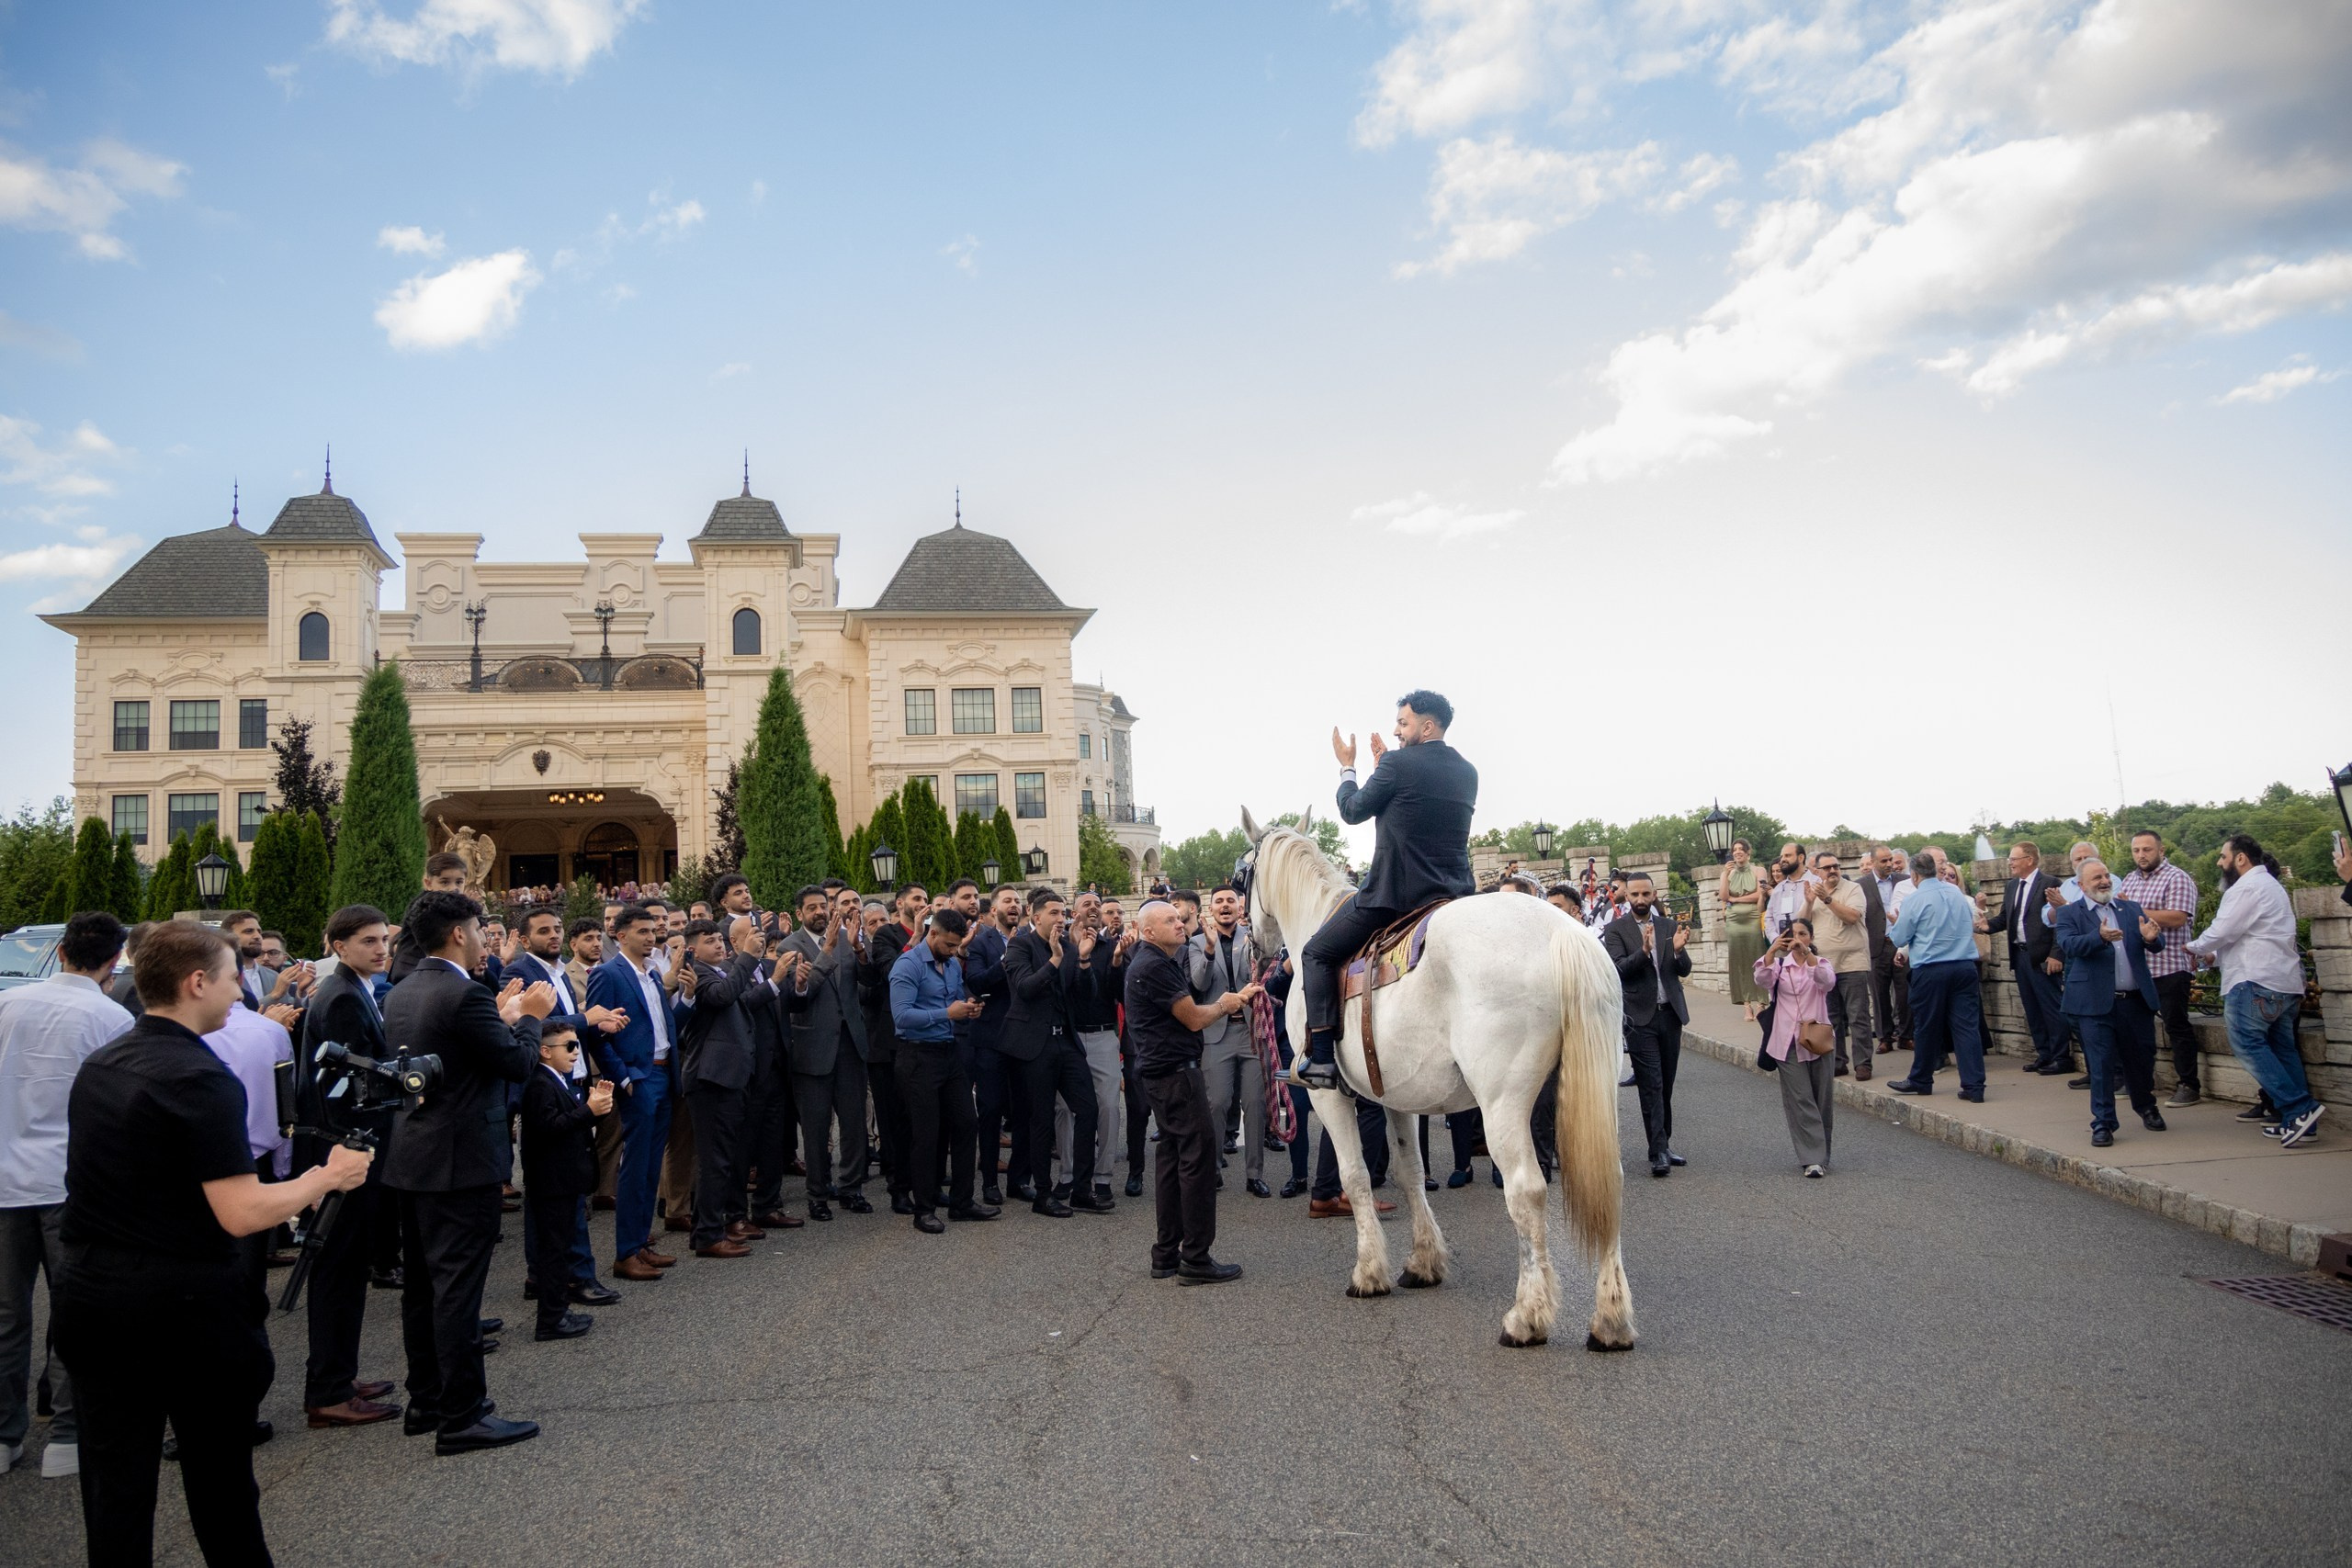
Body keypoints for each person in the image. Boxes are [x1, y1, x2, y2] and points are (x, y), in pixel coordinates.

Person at [54, 919, 371, 1562]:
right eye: (232, 979)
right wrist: (326, 1175)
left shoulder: (103, 1061)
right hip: (180, 1308)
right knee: (221, 1482)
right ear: (196, 982)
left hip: (89, 1296)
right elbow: (240, 1209)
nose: (241, 994)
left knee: (115, 1487)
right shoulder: (200, 1078)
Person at [380, 891, 552, 1454]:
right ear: (458, 933)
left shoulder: (404, 990)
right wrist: (529, 1021)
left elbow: (452, 1054)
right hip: (461, 1159)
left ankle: (426, 1399)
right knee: (458, 1291)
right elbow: (518, 1064)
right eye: (480, 929)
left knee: (425, 1288)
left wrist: (501, 1019)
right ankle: (463, 1415)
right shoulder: (463, 994)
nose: (486, 938)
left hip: (414, 1153)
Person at [0, 911, 130, 1481]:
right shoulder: (110, 1017)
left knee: (6, 1316)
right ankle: (69, 1433)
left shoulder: (8, 1006)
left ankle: (4, 1436)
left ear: (59, 954)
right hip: (71, 1182)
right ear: (112, 961)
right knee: (77, 1311)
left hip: (7, 1176)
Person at [1299, 690, 1477, 1088]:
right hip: (1454, 894)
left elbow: (1352, 810)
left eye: (1403, 723)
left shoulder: (1397, 765)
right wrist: (1386, 771)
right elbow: (1415, 813)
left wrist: (1350, 768)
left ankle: (1324, 1060)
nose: (1396, 732)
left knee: (1316, 953)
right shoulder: (1467, 770)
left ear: (1427, 726)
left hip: (1395, 898)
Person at [294, 905, 407, 1431]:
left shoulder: (354, 986)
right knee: (338, 1269)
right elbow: (342, 1086)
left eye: (384, 939)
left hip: (355, 1147)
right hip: (346, 1150)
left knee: (348, 1266)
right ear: (337, 946)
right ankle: (329, 1390)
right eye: (368, 941)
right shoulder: (339, 996)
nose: (381, 949)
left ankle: (340, 1374)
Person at [505, 908, 627, 1305]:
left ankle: (548, 1276)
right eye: (544, 931)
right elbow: (530, 1027)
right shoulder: (519, 972)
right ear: (524, 940)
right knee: (554, 1190)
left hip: (572, 1081)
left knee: (566, 1187)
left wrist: (597, 1024)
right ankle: (570, 1277)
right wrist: (584, 1017)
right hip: (542, 1086)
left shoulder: (556, 971)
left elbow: (568, 1029)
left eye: (558, 928)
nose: (554, 936)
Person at [1126, 899, 1250, 1282]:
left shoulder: (1156, 962)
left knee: (1171, 1161)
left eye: (1180, 919)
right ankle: (1195, 1258)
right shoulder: (1153, 965)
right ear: (1148, 932)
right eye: (1170, 920)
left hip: (1163, 1075)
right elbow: (1195, 1018)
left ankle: (1165, 1254)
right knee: (1196, 1162)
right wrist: (1227, 1003)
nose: (1180, 924)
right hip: (1176, 1077)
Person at [2188, 834, 2324, 1147]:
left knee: (2247, 1045)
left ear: (2240, 859)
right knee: (2283, 1050)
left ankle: (2300, 1108)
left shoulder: (2246, 887)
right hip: (2284, 982)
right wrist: (2213, 957)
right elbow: (2251, 935)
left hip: (2254, 982)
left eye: (2223, 857)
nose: (2219, 863)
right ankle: (2299, 1122)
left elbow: (2223, 930)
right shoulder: (2272, 886)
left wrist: (2193, 947)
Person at [587, 905, 684, 1280]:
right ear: (621, 935)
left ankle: (641, 1243)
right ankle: (626, 1253)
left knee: (650, 1165)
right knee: (636, 1165)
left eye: (652, 930)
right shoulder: (608, 975)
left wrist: (687, 1000)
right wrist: (623, 1077)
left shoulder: (654, 975)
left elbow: (664, 1026)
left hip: (663, 1073)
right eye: (642, 931)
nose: (651, 935)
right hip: (638, 1079)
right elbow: (595, 1033)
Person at [887, 905, 995, 1231]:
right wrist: (947, 1014)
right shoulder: (906, 965)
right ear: (931, 933)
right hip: (917, 1057)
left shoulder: (950, 965)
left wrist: (970, 1008)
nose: (952, 951)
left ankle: (962, 1202)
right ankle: (924, 1209)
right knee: (926, 1134)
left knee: (966, 1125)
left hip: (949, 1055)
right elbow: (902, 1016)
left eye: (956, 945)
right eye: (948, 944)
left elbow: (955, 999)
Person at [2052, 860, 2169, 1149]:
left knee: (2141, 1059)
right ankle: (2103, 1123)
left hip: (2134, 1001)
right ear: (2082, 885)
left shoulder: (2130, 909)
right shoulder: (2069, 913)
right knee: (2102, 1064)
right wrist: (2099, 937)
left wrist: (2153, 940)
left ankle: (2146, 1106)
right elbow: (2070, 946)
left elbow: (2155, 942)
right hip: (2094, 1004)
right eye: (2096, 878)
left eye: (2106, 876)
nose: (2104, 881)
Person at [1001, 891, 1102, 1218]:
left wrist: (1083, 960)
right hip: (1034, 1046)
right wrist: (1055, 959)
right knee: (1040, 1120)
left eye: (1063, 913)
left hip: (1066, 1043)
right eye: (1054, 912)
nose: (1061, 918)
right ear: (1035, 915)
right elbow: (1026, 989)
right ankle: (1042, 1194)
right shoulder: (1019, 946)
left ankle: (1082, 1190)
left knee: (1088, 1110)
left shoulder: (1071, 948)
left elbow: (1085, 998)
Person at [778, 886, 872, 1223]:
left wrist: (860, 949)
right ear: (800, 914)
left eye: (823, 906)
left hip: (850, 1046)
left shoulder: (849, 938)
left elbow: (871, 981)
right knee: (816, 1131)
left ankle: (851, 1189)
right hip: (812, 1049)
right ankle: (818, 1194)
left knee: (854, 1125)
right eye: (812, 908)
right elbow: (800, 997)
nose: (819, 912)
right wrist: (828, 949)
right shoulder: (789, 946)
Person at [673, 919, 762, 1258]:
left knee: (723, 1157)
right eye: (710, 941)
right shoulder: (699, 974)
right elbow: (723, 998)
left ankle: (707, 1227)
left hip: (729, 1077)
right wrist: (749, 957)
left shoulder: (720, 971)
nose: (719, 945)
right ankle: (709, 1234)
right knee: (714, 1160)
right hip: (711, 1079)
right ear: (694, 949)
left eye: (719, 939)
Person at [519, 1021, 613, 1341]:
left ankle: (557, 1311)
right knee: (553, 1252)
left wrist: (596, 1109)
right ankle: (550, 1319)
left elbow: (570, 1123)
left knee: (559, 1250)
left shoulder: (558, 1079)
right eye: (569, 1047)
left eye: (577, 1045)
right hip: (551, 1182)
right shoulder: (539, 1084)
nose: (576, 1053)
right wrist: (588, 1111)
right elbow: (549, 1127)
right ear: (545, 1051)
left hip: (565, 1181)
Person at [1600, 873, 1690, 1178]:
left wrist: (1678, 951)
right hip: (1639, 1018)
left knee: (1666, 1083)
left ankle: (1663, 1142)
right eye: (1634, 894)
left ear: (1654, 895)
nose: (1640, 899)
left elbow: (1684, 970)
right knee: (1651, 1084)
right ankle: (1658, 1152)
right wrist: (1645, 952)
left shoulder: (1669, 925)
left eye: (1645, 894)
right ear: (1627, 897)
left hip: (1670, 1014)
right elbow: (1619, 970)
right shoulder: (1616, 930)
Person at [1884, 850, 1987, 1101]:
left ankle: (1921, 1079)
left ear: (1915, 875)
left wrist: (1897, 923)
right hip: (1964, 965)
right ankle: (1974, 1086)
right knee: (1966, 1027)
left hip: (1931, 968)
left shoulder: (1914, 900)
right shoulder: (1956, 894)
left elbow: (1899, 937)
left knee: (1927, 1027)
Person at [2119, 831, 2205, 1108]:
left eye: (2147, 849)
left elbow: (2177, 917)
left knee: (2176, 1025)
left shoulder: (2177, 877)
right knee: (2136, 1029)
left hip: (2170, 965)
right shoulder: (2130, 879)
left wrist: (2135, 911)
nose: (2141, 855)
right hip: (2141, 968)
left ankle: (2189, 1085)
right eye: (2136, 850)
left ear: (2161, 850)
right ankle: (2142, 1082)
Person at [1192, 886, 1269, 1195]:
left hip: (1251, 1032)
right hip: (1216, 1035)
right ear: (1210, 909)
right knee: (1217, 1103)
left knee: (1255, 1104)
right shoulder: (1196, 943)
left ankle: (1255, 1175)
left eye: (1230, 901)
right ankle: (1212, 1170)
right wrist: (1210, 950)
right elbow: (1198, 984)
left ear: (1240, 907)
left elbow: (1266, 974)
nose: (1225, 906)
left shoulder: (1255, 938)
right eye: (1219, 902)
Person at [729, 914, 804, 1233]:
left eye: (759, 934)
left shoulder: (766, 967)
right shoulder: (733, 970)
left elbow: (788, 1004)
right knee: (743, 1147)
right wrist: (776, 981)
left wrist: (796, 984)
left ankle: (768, 1206)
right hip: (749, 1071)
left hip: (776, 1067)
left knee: (773, 1143)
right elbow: (742, 1003)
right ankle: (734, 1215)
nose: (759, 940)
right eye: (751, 935)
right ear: (734, 942)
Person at [858, 885, 928, 1214]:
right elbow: (889, 973)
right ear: (900, 904)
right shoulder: (886, 935)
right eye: (917, 899)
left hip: (924, 1038)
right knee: (894, 1122)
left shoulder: (934, 933)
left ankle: (925, 1186)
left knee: (923, 1120)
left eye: (926, 900)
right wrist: (914, 938)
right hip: (889, 1044)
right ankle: (899, 1189)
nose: (922, 904)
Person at [1756, 918, 1837, 1177]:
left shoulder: (1819, 963)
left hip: (1818, 1039)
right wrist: (1771, 951)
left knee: (1821, 1098)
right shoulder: (1780, 966)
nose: (1797, 939)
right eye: (1792, 935)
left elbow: (1827, 982)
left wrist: (1809, 956)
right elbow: (1761, 979)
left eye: (1803, 934)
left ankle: (1822, 1155)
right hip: (1786, 1041)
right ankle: (1812, 1159)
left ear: (1811, 937)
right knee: (1801, 1098)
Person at [1981, 841, 2068, 1075]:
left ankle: (2061, 1057)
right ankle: (2044, 1053)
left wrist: (2056, 954)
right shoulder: (2012, 887)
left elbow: (2061, 921)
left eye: (2014, 859)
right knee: (2032, 1008)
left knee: (2051, 1008)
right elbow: (2005, 918)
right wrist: (1985, 925)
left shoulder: (2050, 883)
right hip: (2019, 956)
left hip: (2043, 957)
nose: (2010, 863)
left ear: (2029, 860)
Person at [1064, 890, 1126, 1210]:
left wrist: (1117, 963)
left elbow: (1119, 996)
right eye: (1086, 904)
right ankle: (1071, 1178)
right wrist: (1075, 952)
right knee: (1067, 1111)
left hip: (1103, 1036)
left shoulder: (1111, 948)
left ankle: (1102, 1178)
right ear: (1073, 911)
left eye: (1097, 906)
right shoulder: (1060, 945)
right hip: (1068, 1039)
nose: (1094, 909)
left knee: (1108, 1108)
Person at [965, 885, 1023, 1206]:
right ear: (994, 909)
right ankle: (989, 1181)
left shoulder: (1031, 939)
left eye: (1017, 901)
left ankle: (1019, 1179)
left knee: (1025, 1110)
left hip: (1025, 1038)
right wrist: (1007, 959)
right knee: (989, 1111)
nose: (1014, 906)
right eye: (1008, 901)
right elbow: (975, 982)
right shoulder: (981, 942)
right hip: (991, 1039)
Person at [1804, 852, 1874, 1080]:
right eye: (1827, 868)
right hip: (1825, 965)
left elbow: (1852, 917)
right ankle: (1838, 1061)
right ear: (1817, 871)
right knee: (1831, 1018)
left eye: (1836, 866)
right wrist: (1808, 902)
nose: (1832, 870)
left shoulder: (1853, 889)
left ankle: (1863, 1064)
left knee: (1858, 1017)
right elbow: (1803, 924)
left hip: (1853, 962)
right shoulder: (1814, 892)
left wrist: (1827, 899)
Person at [386, 853, 473, 983]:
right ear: (428, 884)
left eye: (459, 882)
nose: (453, 888)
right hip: (409, 974)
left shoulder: (454, 907)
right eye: (444, 882)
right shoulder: (425, 907)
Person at [1862, 845, 1907, 1057]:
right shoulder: (1861, 885)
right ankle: (1885, 1038)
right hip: (1876, 946)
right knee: (1879, 994)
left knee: (1905, 992)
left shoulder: (1905, 881)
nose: (1889, 864)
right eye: (1883, 861)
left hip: (1902, 944)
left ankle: (1906, 1035)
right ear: (1872, 863)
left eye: (1890, 860)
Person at [1718, 840, 1766, 1021]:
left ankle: (1761, 1002)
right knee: (1739, 961)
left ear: (1748, 852)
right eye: (1735, 850)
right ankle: (1747, 1005)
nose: (1737, 852)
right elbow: (1723, 896)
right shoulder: (1728, 872)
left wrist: (1736, 899)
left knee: (1757, 957)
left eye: (1741, 849)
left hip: (1753, 917)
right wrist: (1725, 874)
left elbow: (1760, 894)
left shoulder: (1758, 870)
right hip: (1734, 920)